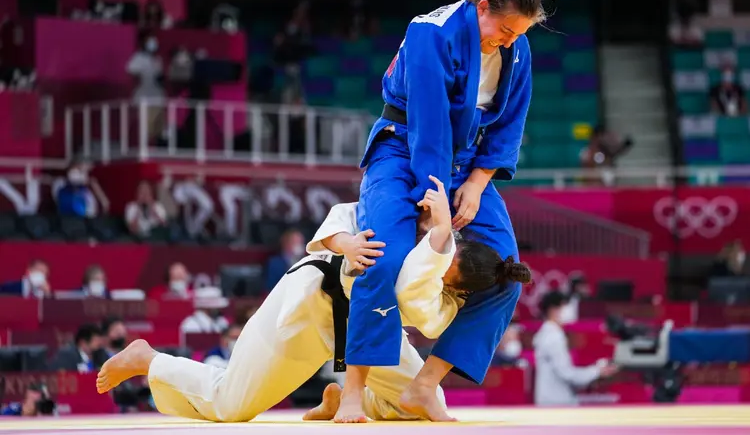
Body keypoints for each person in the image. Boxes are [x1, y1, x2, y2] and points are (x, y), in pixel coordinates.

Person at [340, 0, 576, 422]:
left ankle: (424, 386)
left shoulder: (517, 46)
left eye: (519, 36)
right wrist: (435, 205)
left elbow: (510, 123)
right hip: (403, 149)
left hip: (467, 161)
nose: (509, 43)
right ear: (482, 7)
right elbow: (429, 126)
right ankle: (352, 389)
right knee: (380, 256)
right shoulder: (430, 32)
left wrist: (476, 181)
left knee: (504, 272)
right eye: (505, 31)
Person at [96, 176, 530, 422]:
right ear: (455, 240)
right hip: (310, 309)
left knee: (417, 403)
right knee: (230, 406)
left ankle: (340, 398)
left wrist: (436, 243)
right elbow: (334, 223)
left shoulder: (443, 286)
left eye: (447, 277)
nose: (441, 268)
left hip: (372, 332)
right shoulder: (402, 217)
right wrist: (347, 245)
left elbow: (421, 309)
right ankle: (148, 358)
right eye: (446, 254)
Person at [533, 291, 618, 406]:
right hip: (556, 404)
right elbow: (567, 374)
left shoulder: (549, 334)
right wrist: (597, 371)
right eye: (565, 306)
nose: (569, 310)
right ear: (553, 310)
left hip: (553, 401)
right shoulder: (553, 337)